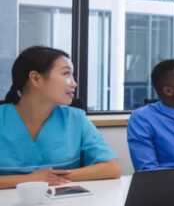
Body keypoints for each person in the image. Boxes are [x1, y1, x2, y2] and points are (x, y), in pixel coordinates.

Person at [0, 46, 121, 189]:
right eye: (66, 74)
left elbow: (112, 168)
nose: (74, 83)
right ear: (36, 78)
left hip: (63, 204)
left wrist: (51, 178)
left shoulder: (76, 118)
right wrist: (29, 179)